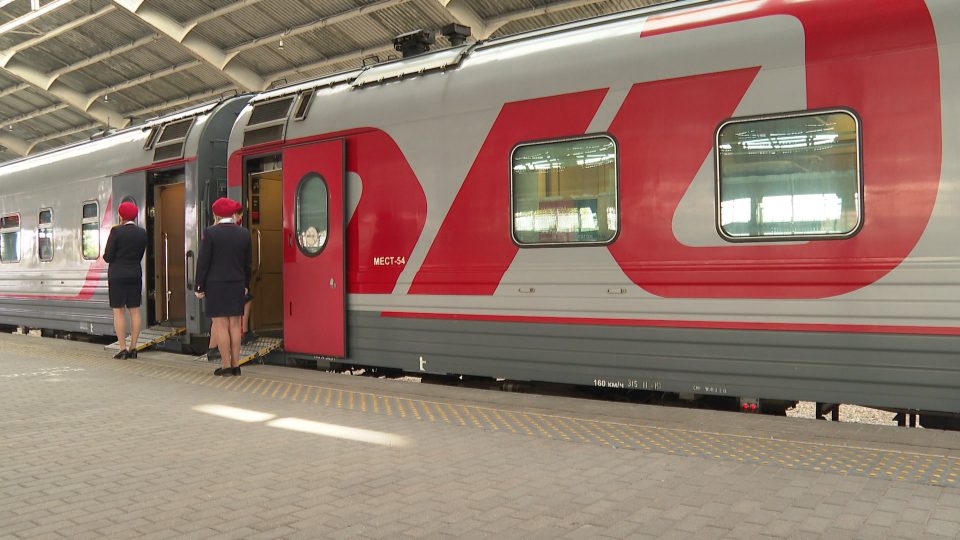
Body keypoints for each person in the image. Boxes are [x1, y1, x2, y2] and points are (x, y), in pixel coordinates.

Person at [195, 197, 251, 376]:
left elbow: (203, 262)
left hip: (216, 285)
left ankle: (226, 366)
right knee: (235, 325)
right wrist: (246, 285)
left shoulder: (210, 232)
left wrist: (199, 286)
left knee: (221, 325)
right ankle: (236, 365)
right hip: (237, 284)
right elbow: (247, 263)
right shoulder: (244, 233)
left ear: (216, 214)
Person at [103, 200, 148, 359]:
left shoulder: (116, 231)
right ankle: (133, 348)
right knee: (135, 311)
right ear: (135, 216)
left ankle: (122, 348)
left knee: (119, 311)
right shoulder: (142, 233)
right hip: (135, 274)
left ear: (120, 215)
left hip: (117, 276)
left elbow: (108, 256)